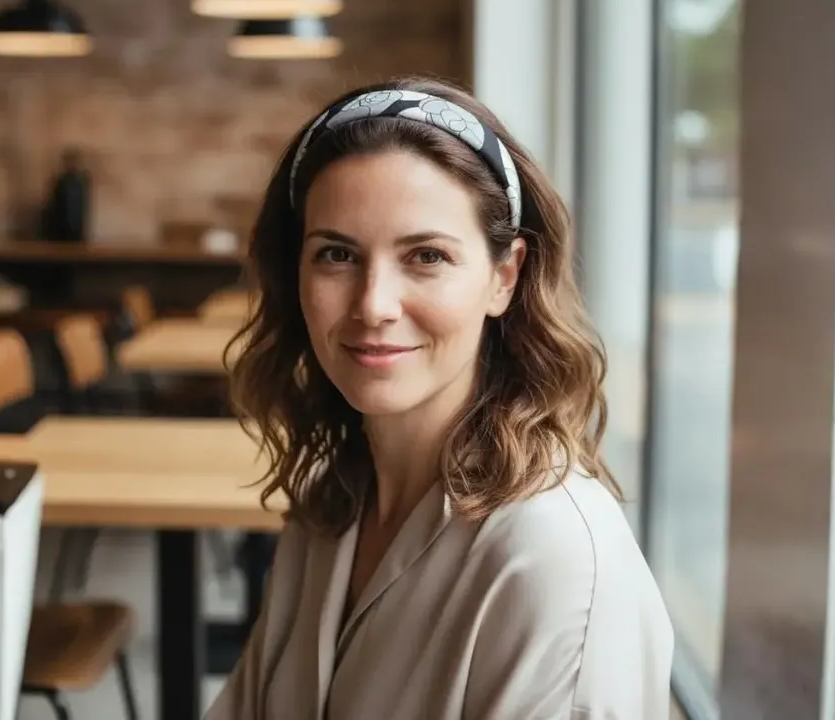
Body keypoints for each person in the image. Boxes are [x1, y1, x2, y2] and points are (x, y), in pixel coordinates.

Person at [207, 78, 673, 720]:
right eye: (337, 254)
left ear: (503, 278)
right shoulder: (332, 503)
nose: (373, 305)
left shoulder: (553, 560)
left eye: (426, 256)